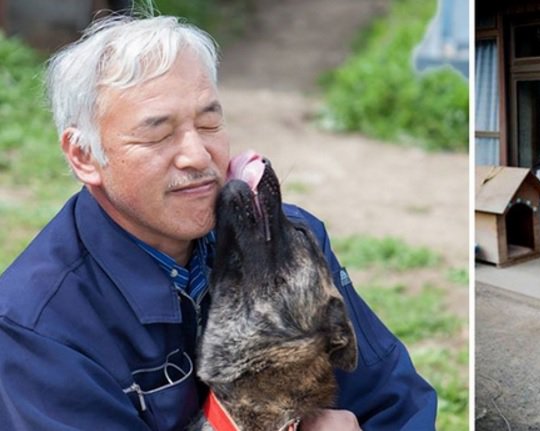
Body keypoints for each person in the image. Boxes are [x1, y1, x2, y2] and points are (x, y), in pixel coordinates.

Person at [0, 12, 437, 431]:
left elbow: (394, 400)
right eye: (158, 133)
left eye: (209, 123)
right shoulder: (36, 326)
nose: (197, 155)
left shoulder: (282, 244)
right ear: (84, 155)